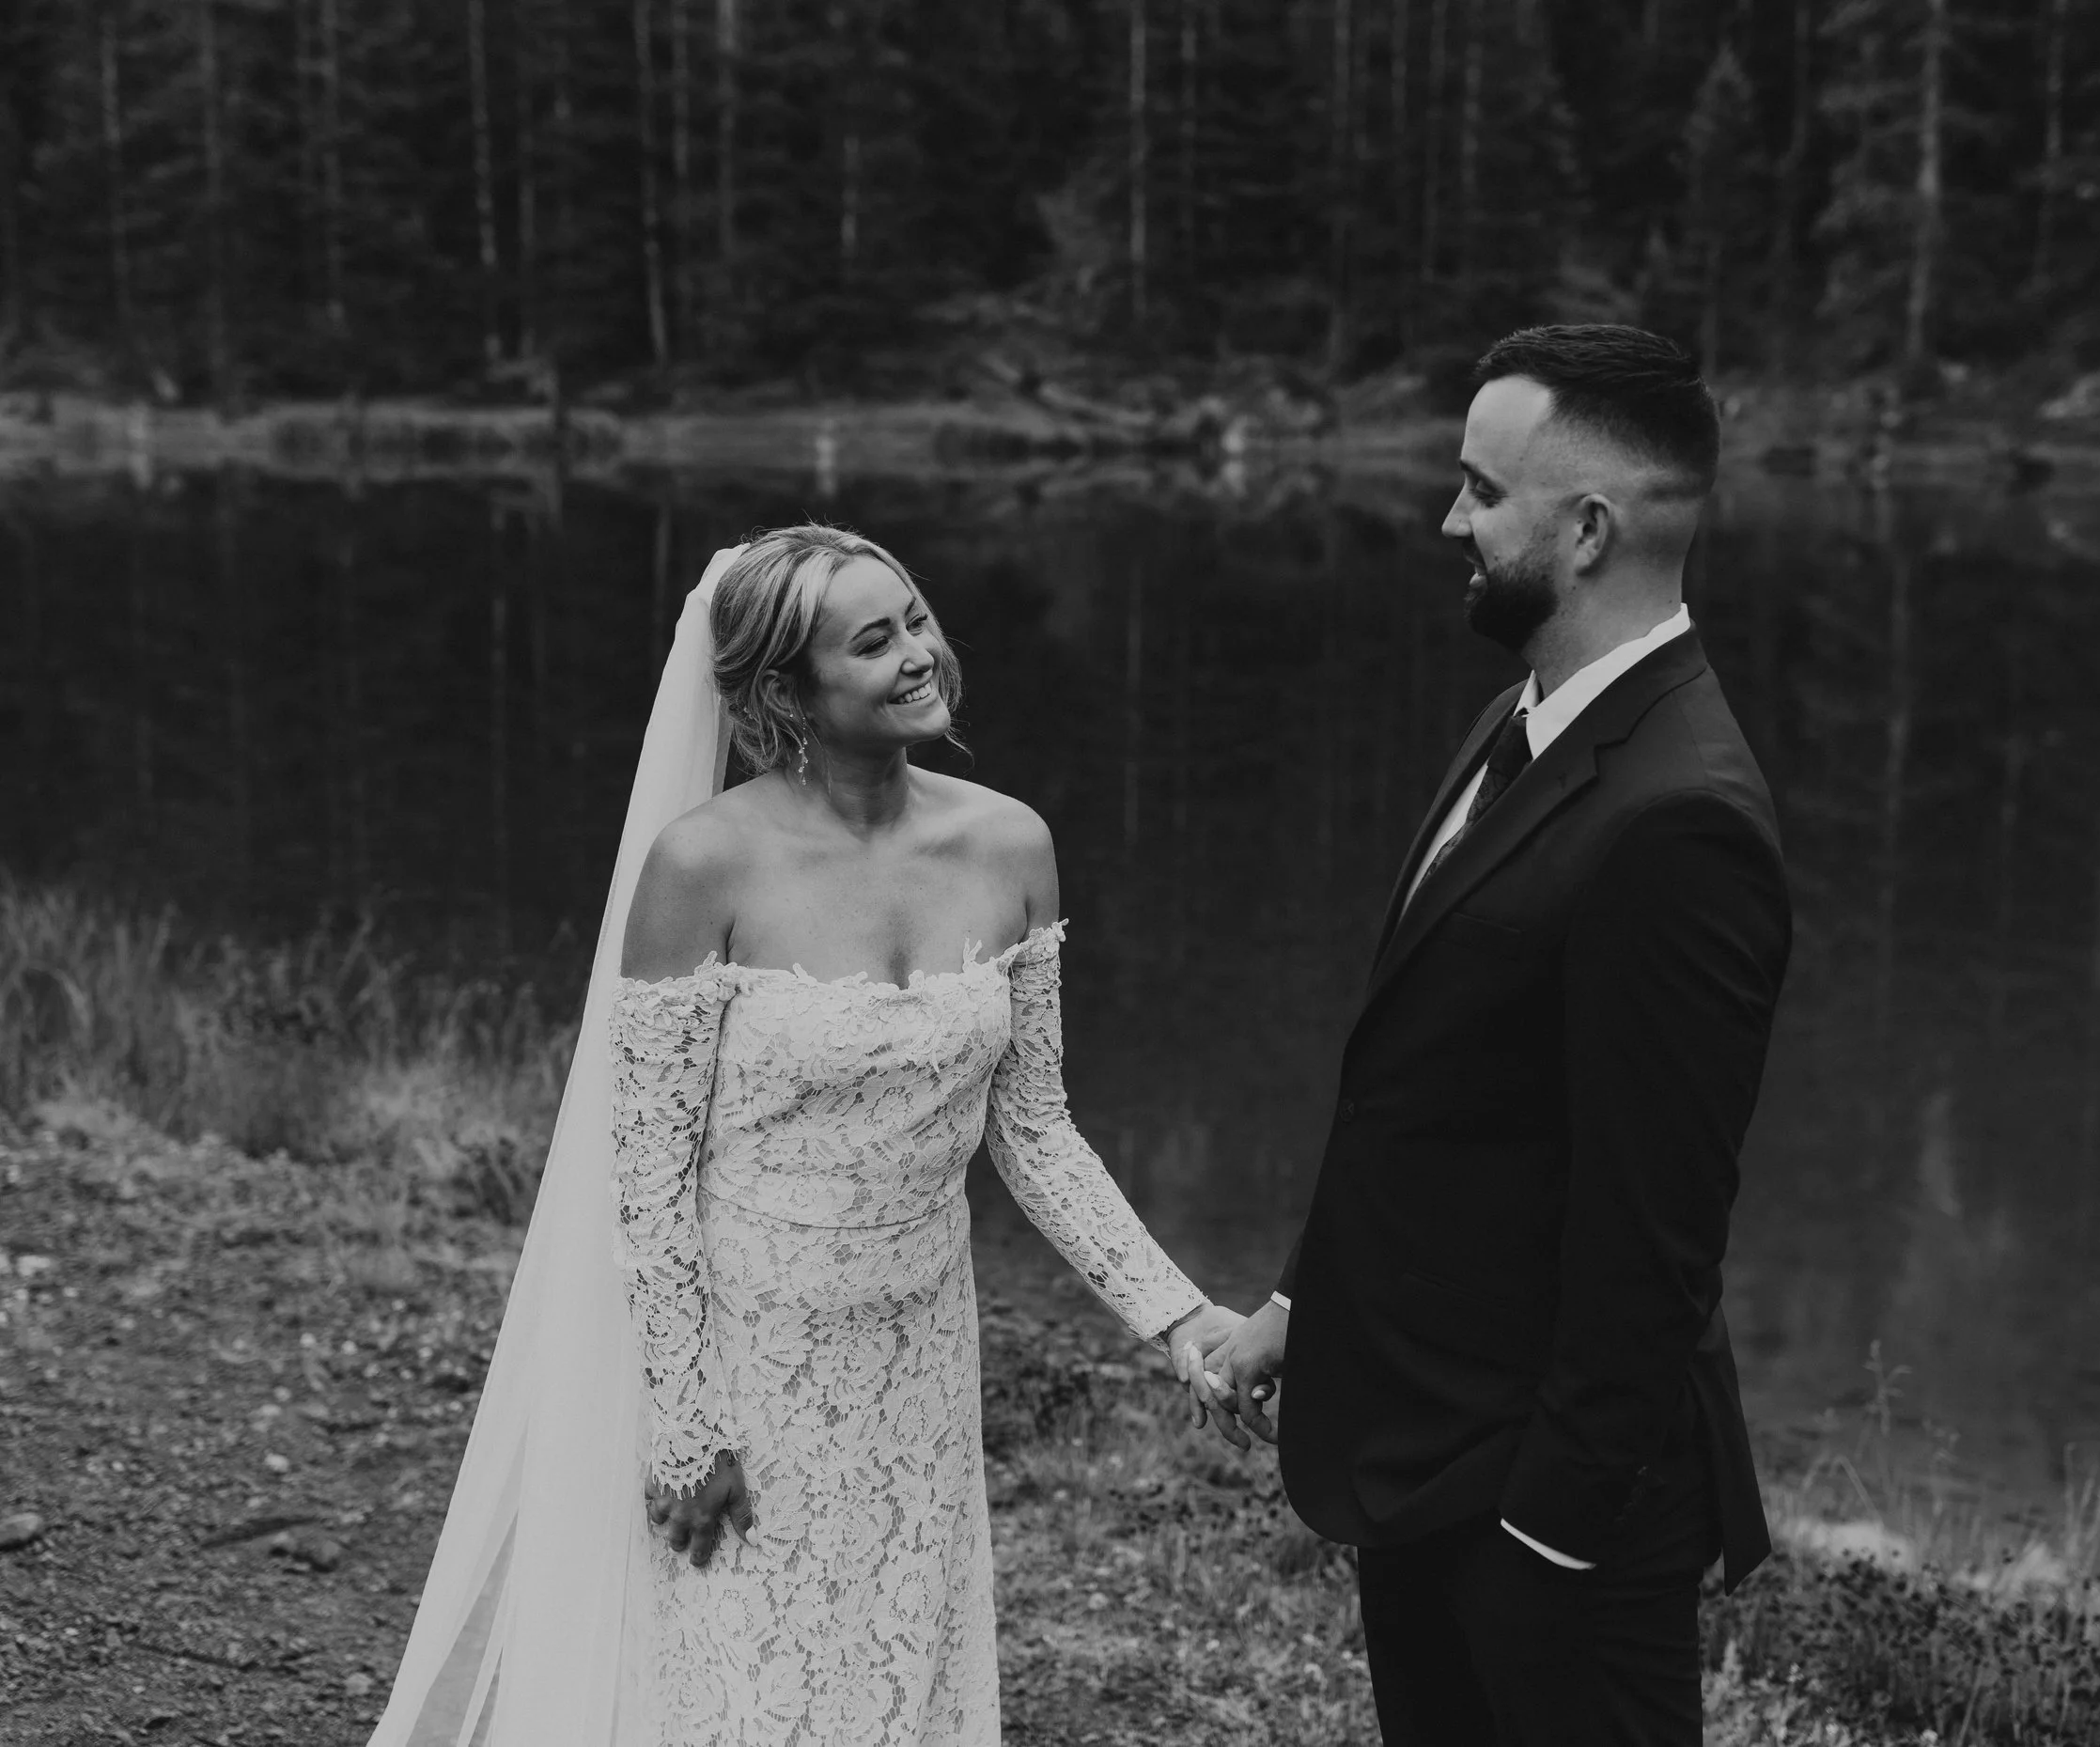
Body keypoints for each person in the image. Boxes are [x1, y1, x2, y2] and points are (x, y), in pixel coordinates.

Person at [369, 524, 1243, 1747]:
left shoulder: (1013, 844)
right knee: (742, 1689)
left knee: (893, 1678)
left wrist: (1182, 1317)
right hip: (742, 1351)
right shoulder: (702, 865)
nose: (918, 655)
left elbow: (1036, 1129)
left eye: (918, 620)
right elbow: (653, 1174)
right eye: (873, 640)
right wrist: (683, 1421)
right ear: (784, 689)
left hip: (916, 1351)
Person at [1196, 324, 1791, 1746]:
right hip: (1429, 1451)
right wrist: (1306, 1300)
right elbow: (1428, 1086)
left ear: (1586, 530)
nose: (1446, 518)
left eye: (1479, 488)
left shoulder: (1682, 818)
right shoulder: (1525, 715)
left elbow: (1655, 1231)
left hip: (1548, 1510)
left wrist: (1551, 1540)